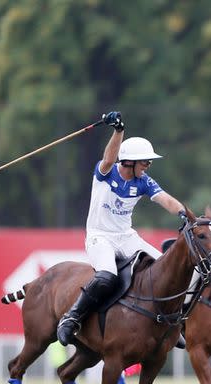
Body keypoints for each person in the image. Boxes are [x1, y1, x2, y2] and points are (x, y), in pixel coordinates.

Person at [57, 111, 188, 349]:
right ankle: (72, 317)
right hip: (100, 237)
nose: (148, 166)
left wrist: (184, 214)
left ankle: (172, 324)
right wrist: (118, 130)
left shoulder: (143, 181)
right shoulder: (106, 173)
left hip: (126, 237)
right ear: (129, 161)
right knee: (107, 276)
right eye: (145, 161)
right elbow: (108, 158)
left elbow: (166, 199)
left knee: (166, 269)